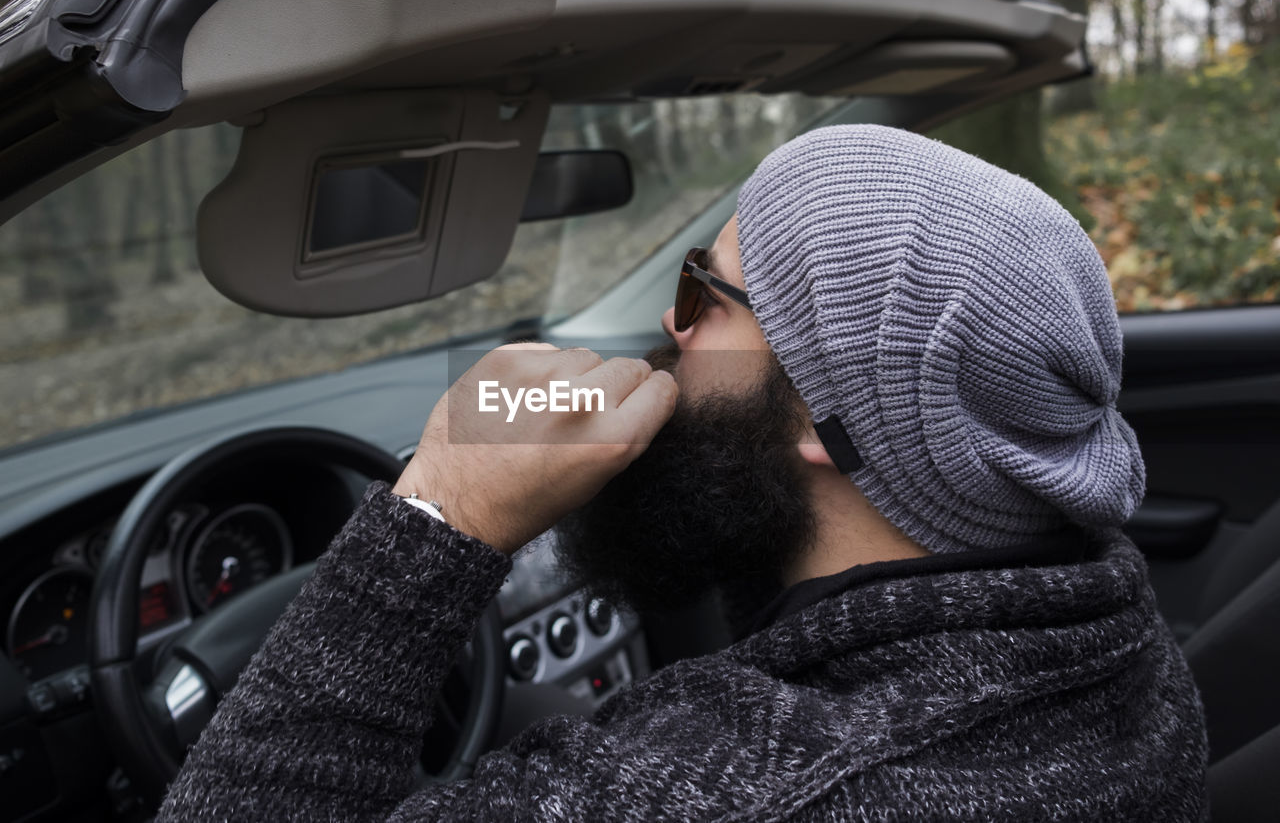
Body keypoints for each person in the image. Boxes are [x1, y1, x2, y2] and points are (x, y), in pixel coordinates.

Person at [156, 125, 1208, 821]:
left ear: (817, 408)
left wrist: (443, 504)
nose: (670, 322)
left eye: (705, 293)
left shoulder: (737, 789)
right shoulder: (1113, 636)